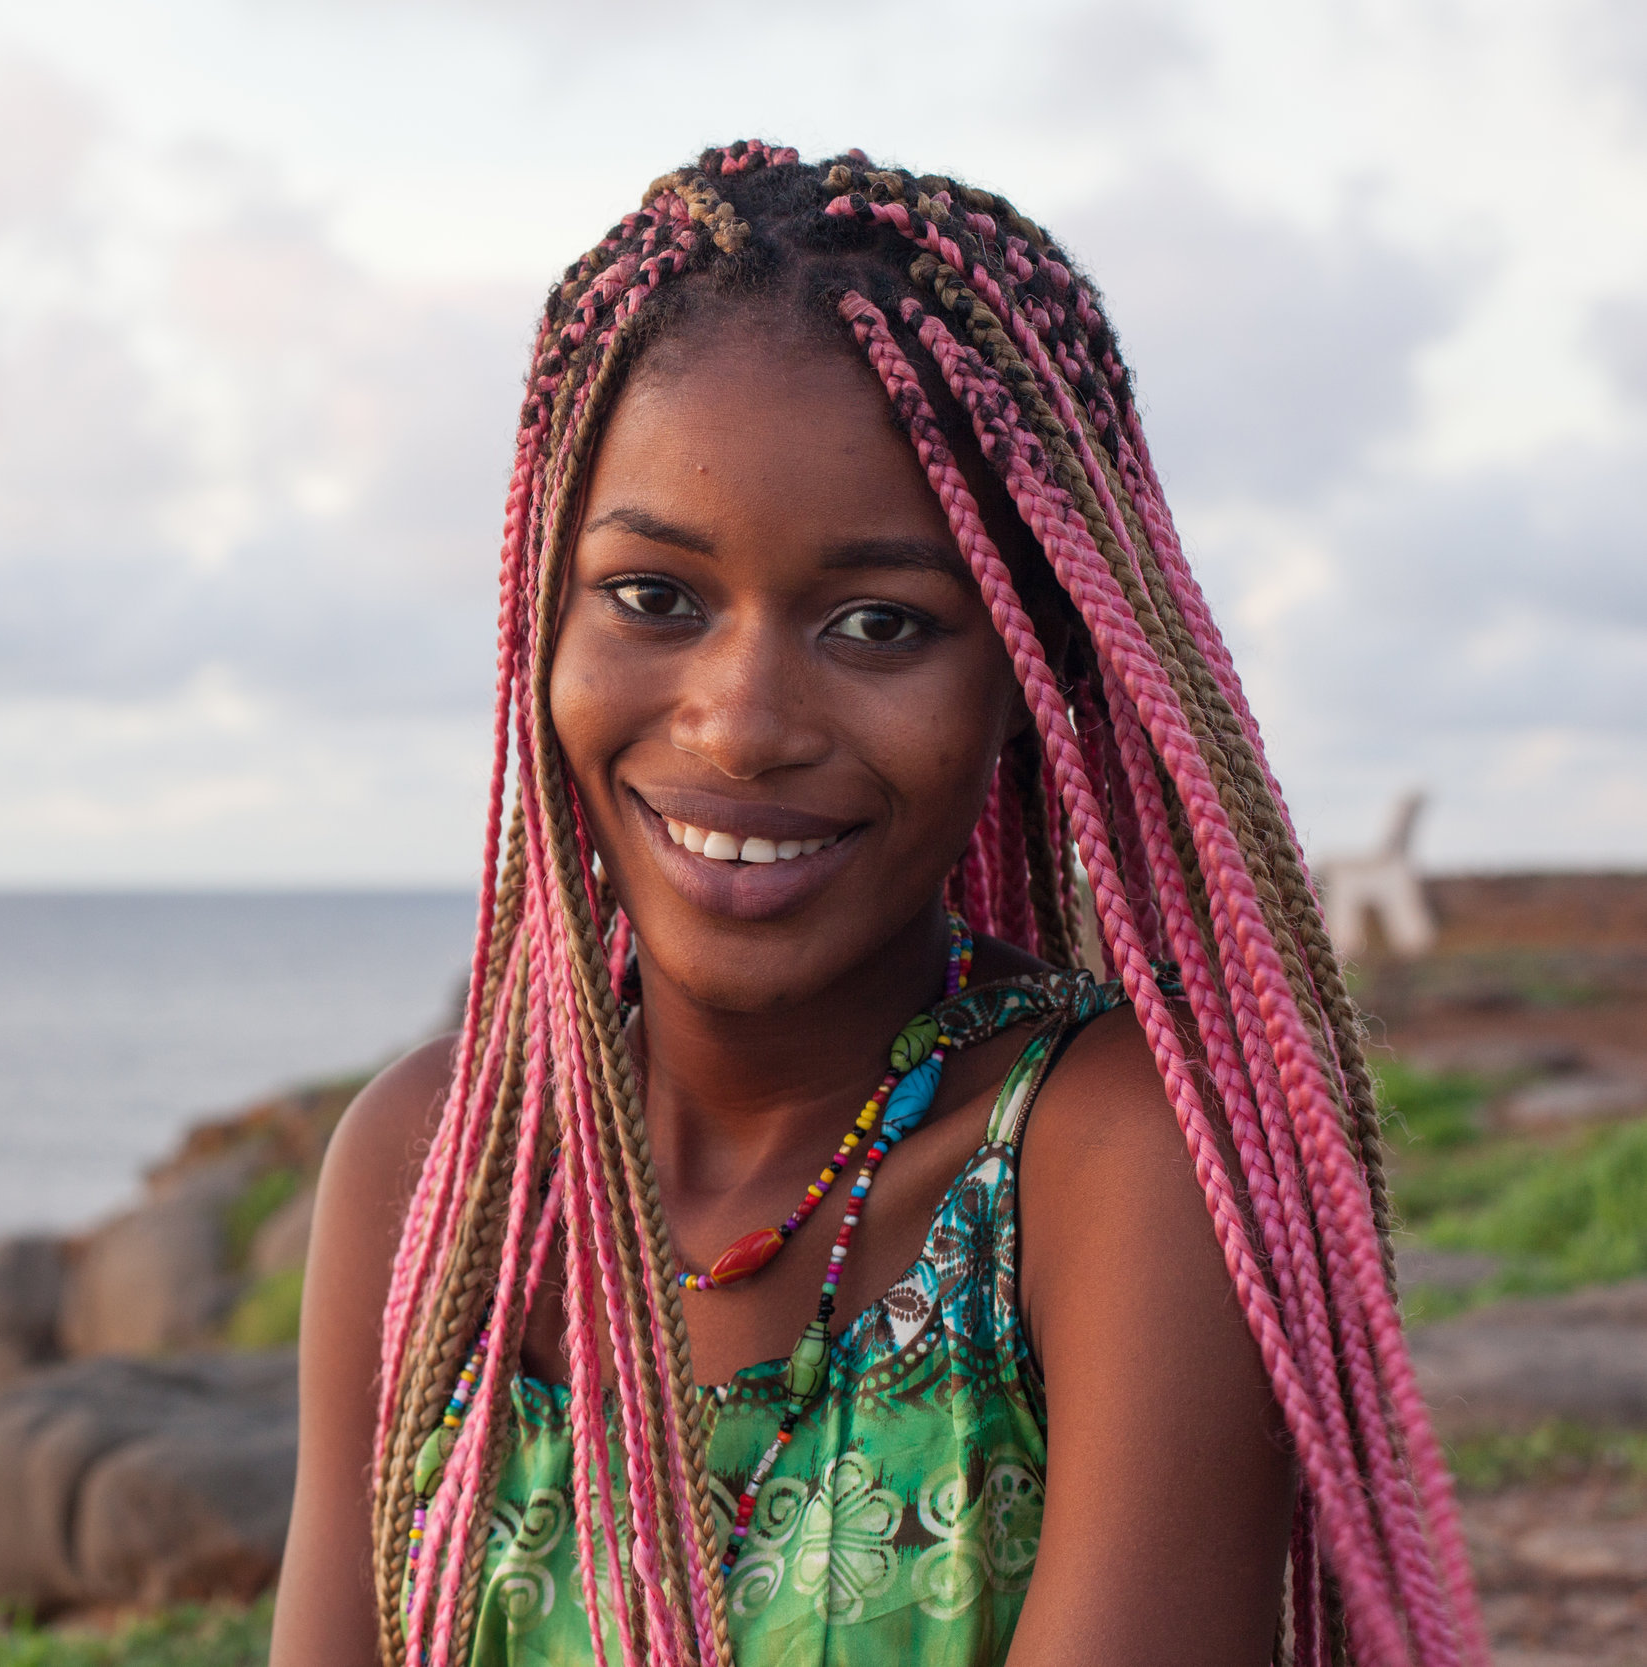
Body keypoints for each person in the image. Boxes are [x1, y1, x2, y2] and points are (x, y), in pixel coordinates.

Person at [271, 142, 1478, 1667]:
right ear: (541, 612)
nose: (741, 720)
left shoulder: (1113, 1163)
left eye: (879, 623)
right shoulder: (434, 1167)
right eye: (655, 597)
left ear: (1032, 680)